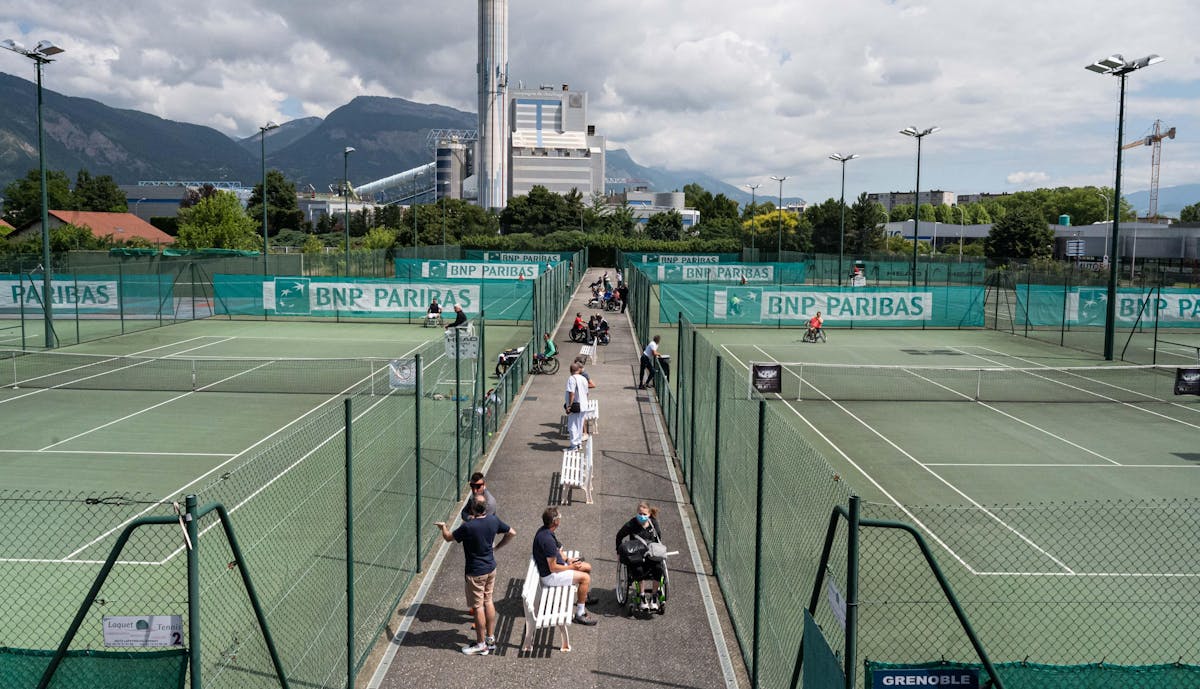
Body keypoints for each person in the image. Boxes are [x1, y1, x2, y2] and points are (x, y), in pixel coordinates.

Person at [436, 494, 516, 655]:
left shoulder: (468, 526)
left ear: (472, 508)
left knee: (478, 606)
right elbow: (512, 532)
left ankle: (480, 644)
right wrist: (497, 547)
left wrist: (443, 527)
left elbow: (448, 537)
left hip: (475, 573)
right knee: (488, 601)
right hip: (491, 568)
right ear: (485, 507)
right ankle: (490, 639)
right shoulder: (493, 520)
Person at [532, 507, 597, 626]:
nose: (561, 518)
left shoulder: (546, 530)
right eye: (559, 517)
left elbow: (557, 549)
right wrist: (571, 567)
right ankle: (580, 614)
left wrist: (568, 559)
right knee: (585, 578)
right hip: (551, 576)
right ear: (555, 522)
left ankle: (583, 597)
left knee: (587, 567)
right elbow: (553, 567)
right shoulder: (547, 540)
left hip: (557, 568)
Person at [615, 501, 665, 604]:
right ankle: (641, 595)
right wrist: (619, 553)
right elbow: (619, 536)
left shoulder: (653, 523)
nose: (642, 516)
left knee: (658, 568)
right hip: (636, 556)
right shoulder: (631, 524)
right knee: (638, 569)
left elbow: (658, 539)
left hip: (650, 555)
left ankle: (654, 595)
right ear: (637, 513)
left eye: (644, 514)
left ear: (649, 514)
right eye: (640, 514)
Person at [564, 361, 590, 451]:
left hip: (575, 406)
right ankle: (579, 444)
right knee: (579, 426)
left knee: (572, 427)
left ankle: (573, 446)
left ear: (570, 370)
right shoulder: (584, 379)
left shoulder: (572, 378)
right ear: (578, 370)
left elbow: (572, 393)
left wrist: (569, 406)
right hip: (583, 405)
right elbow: (587, 393)